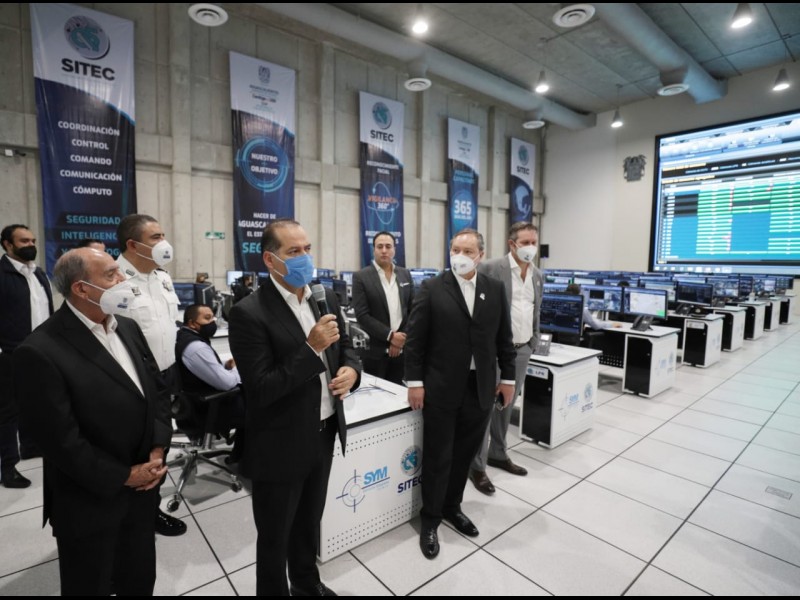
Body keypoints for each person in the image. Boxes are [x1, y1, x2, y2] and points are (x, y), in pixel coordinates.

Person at [14, 248, 171, 595]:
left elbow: (158, 391)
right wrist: (124, 476)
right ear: (81, 288)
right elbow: (59, 440)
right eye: (111, 274)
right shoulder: (40, 350)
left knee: (139, 579)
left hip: (143, 490)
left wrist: (158, 449)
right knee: (89, 584)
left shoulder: (127, 327)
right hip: (89, 501)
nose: (124, 279)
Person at [229, 219, 361, 596]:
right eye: (294, 251)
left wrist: (352, 371)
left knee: (308, 521)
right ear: (270, 260)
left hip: (324, 431)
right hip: (279, 441)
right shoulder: (249, 312)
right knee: (275, 534)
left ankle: (306, 582)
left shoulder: (324, 296)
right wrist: (311, 348)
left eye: (307, 249)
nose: (305, 257)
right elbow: (261, 388)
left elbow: (346, 347)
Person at [405, 228, 516, 559]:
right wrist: (415, 383)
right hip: (440, 387)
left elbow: (504, 339)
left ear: (480, 255)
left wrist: (509, 378)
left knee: (464, 454)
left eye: (467, 251)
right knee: (438, 456)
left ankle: (452, 507)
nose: (460, 256)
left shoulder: (494, 289)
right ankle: (430, 519)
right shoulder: (432, 288)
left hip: (480, 388)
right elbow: (415, 340)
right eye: (455, 249)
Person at [116, 214, 186, 536]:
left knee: (161, 445)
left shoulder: (161, 278)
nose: (164, 243)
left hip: (165, 376)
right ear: (133, 245)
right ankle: (130, 516)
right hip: (132, 383)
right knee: (134, 451)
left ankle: (150, 510)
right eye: (155, 237)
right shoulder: (113, 280)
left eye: (163, 235)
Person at [469, 222, 543, 495]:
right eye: (525, 243)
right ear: (512, 244)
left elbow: (535, 309)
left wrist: (533, 341)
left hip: (522, 350)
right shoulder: (491, 268)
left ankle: (498, 453)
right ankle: (477, 466)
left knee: (506, 404)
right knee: (485, 408)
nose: (530, 248)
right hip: (495, 350)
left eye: (533, 242)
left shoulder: (537, 274)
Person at [0, 224, 54, 488]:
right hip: (9, 353)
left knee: (35, 403)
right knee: (8, 412)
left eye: (32, 240)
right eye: (24, 241)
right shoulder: (2, 275)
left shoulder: (38, 273)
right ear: (7, 245)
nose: (31, 245)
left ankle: (31, 446)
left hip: (40, 351)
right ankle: (8, 467)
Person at [176, 304, 244, 460]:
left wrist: (225, 365)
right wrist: (236, 368)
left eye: (213, 317)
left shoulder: (183, 336)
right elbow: (227, 383)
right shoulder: (197, 347)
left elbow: (203, 368)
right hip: (206, 408)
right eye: (207, 318)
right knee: (259, 403)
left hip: (191, 403)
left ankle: (241, 452)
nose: (212, 322)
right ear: (192, 323)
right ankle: (243, 457)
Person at [351, 231, 414, 384]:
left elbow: (413, 310)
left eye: (388, 246)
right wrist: (391, 337)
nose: (384, 250)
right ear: (374, 250)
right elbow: (362, 315)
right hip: (375, 352)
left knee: (398, 392)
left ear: (394, 250)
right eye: (380, 247)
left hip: (401, 350)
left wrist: (401, 339)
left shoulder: (405, 274)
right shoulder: (361, 277)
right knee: (376, 393)